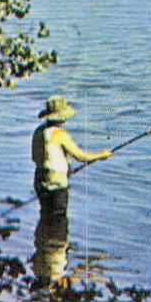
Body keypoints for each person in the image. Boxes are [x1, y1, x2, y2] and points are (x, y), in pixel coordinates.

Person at [31, 95, 111, 231]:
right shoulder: (59, 134)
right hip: (56, 183)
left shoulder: (38, 132)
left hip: (39, 179)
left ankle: (45, 244)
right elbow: (80, 156)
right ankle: (58, 246)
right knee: (59, 219)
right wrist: (101, 155)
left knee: (46, 215)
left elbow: (35, 158)